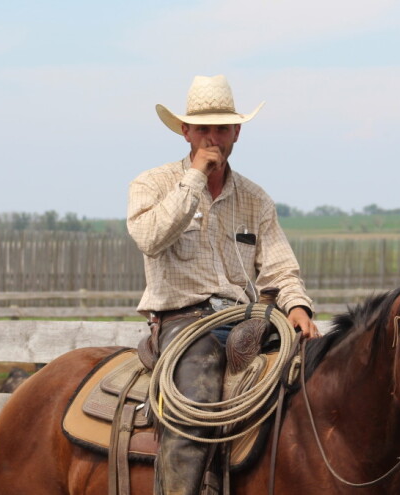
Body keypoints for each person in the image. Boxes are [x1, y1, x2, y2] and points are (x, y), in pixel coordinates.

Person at [126, 74, 320, 494]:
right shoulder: (152, 184)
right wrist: (195, 177)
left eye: (221, 128)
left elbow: (280, 269)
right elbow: (150, 238)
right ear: (186, 132)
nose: (212, 137)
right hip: (183, 321)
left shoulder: (255, 199)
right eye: (203, 128)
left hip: (246, 316)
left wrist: (299, 307)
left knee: (316, 379)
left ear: (237, 131)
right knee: (196, 400)